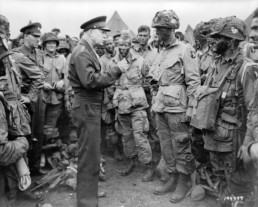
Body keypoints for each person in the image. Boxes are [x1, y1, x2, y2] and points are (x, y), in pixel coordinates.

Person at [191, 16, 258, 202]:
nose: (212, 41)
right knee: (220, 178)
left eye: (218, 37)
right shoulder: (216, 63)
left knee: (237, 184)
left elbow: (254, 111)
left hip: (233, 141)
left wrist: (247, 144)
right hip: (214, 135)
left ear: (230, 41)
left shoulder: (246, 69)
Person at [68, 16, 123, 207]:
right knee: (88, 156)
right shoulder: (83, 52)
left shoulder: (86, 50)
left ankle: (88, 198)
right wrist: (116, 71)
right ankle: (86, 202)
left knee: (91, 154)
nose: (104, 36)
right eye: (102, 32)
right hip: (86, 105)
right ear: (91, 31)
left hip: (88, 105)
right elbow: (90, 81)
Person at [149, 10, 200, 203]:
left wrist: (191, 107)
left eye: (161, 28)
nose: (158, 31)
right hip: (161, 104)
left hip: (178, 106)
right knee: (165, 144)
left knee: (180, 144)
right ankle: (171, 175)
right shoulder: (161, 50)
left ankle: (184, 180)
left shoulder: (185, 49)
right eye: (157, 28)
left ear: (171, 29)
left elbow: (194, 81)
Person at [110, 30, 154, 181]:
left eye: (126, 45)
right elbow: (108, 82)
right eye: (120, 44)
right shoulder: (112, 62)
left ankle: (147, 166)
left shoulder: (140, 60)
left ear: (131, 45)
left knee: (140, 135)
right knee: (126, 135)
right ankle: (131, 161)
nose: (123, 47)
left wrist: (142, 91)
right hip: (121, 103)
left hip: (137, 104)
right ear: (117, 45)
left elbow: (150, 79)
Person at [17, 22, 46, 172]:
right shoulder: (17, 54)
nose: (38, 39)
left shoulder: (39, 53)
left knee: (39, 132)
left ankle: (35, 167)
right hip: (26, 98)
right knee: (26, 133)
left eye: (39, 36)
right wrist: (29, 97)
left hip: (39, 98)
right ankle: (25, 170)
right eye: (35, 36)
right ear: (25, 36)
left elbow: (41, 75)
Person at [135, 25, 159, 149]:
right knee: (138, 122)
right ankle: (142, 152)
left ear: (149, 37)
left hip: (150, 92)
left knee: (153, 121)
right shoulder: (132, 52)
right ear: (137, 36)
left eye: (145, 35)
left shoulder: (155, 52)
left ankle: (154, 150)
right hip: (135, 93)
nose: (143, 38)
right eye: (140, 35)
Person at [42, 32, 65, 151]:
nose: (51, 45)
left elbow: (69, 76)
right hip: (41, 97)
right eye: (48, 43)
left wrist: (62, 82)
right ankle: (39, 156)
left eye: (53, 43)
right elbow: (33, 76)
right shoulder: (39, 56)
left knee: (52, 127)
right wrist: (42, 83)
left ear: (57, 45)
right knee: (40, 126)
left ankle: (50, 154)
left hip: (56, 97)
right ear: (44, 45)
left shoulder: (62, 58)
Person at [100, 36, 122, 159]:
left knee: (122, 123)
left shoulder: (120, 55)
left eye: (111, 43)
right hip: (109, 95)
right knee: (110, 125)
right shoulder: (102, 60)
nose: (109, 46)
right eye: (107, 44)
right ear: (104, 47)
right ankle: (114, 150)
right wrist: (107, 101)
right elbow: (102, 81)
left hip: (122, 95)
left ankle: (123, 148)